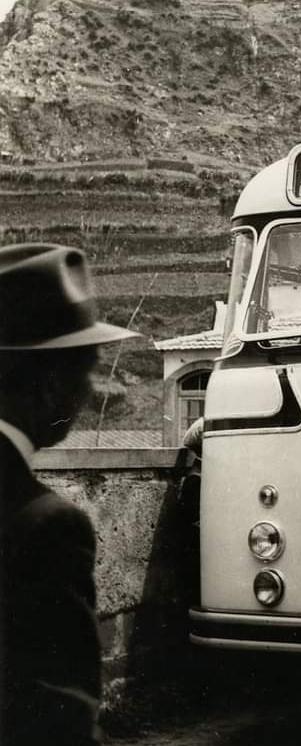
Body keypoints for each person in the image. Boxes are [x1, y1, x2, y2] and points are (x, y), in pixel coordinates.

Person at [0, 243, 140, 746]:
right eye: (84, 370)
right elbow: (59, 718)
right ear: (44, 384)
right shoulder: (46, 524)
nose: (89, 393)